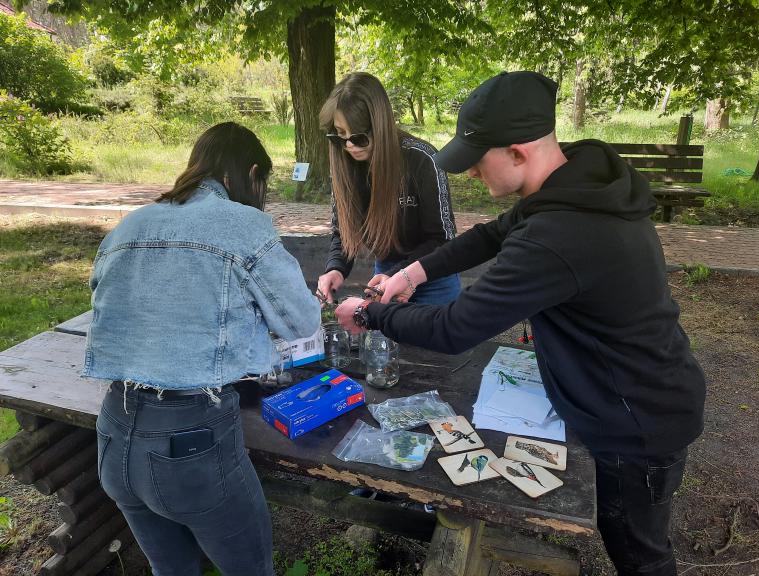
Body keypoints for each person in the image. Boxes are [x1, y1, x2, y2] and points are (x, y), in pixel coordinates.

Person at [336, 72, 706, 576]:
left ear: (517, 151)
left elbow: (454, 328)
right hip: (632, 390)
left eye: (476, 160)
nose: (467, 174)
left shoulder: (560, 233)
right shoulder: (575, 180)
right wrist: (412, 272)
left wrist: (369, 312)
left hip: (637, 419)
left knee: (639, 552)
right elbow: (490, 235)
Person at [84, 122, 320, 576]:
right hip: (192, 444)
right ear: (250, 173)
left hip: (114, 430)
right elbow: (301, 321)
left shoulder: (131, 223)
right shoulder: (242, 225)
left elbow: (105, 301)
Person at [316, 71, 461, 305]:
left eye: (360, 136)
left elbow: (442, 238)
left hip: (434, 278)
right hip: (385, 276)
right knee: (383, 342)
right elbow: (343, 232)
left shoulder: (422, 159)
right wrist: (336, 268)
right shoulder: (344, 165)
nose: (350, 146)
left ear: (379, 125)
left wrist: (401, 273)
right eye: (340, 136)